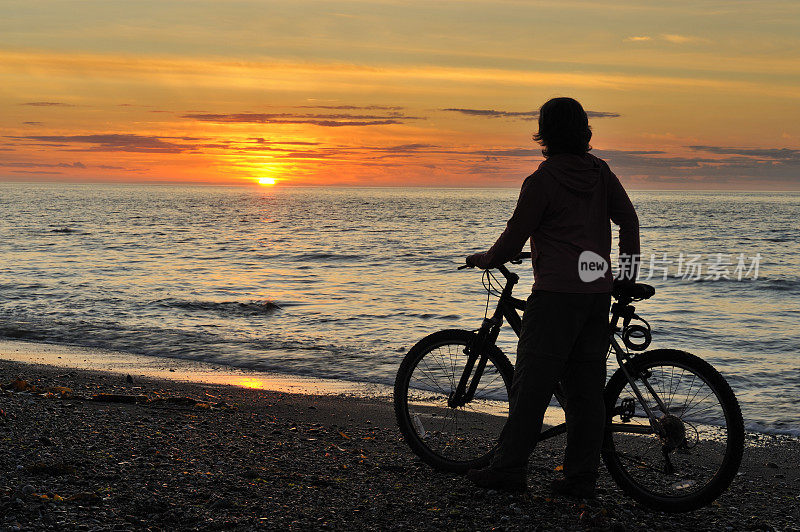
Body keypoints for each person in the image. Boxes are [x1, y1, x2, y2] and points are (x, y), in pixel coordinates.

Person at [464, 97, 640, 498]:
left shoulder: (541, 181)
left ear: (545, 133)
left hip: (555, 296)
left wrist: (484, 258)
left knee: (531, 388)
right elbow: (628, 221)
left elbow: (513, 239)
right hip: (596, 294)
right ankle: (580, 479)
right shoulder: (601, 174)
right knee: (585, 393)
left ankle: (509, 470)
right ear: (584, 131)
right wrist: (626, 277)